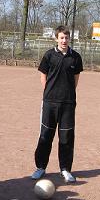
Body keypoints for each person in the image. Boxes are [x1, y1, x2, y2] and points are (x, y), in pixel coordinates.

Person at [31, 25, 83, 182]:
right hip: (50, 103)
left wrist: (66, 94)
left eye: (66, 38)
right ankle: (40, 167)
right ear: (56, 39)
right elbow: (43, 76)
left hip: (68, 103)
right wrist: (49, 94)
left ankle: (65, 169)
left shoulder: (75, 57)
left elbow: (75, 80)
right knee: (46, 135)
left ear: (69, 39)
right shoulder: (49, 55)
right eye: (61, 37)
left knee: (66, 137)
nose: (64, 40)